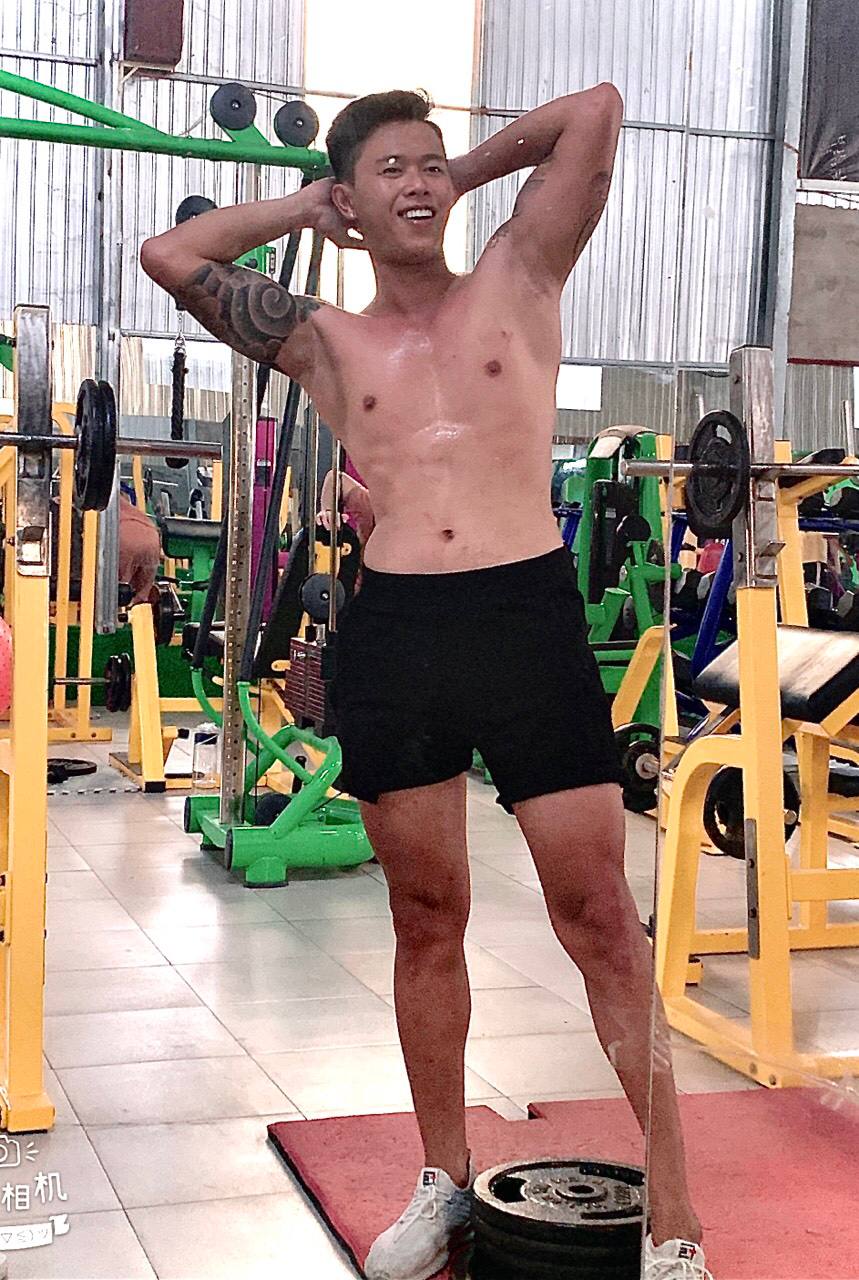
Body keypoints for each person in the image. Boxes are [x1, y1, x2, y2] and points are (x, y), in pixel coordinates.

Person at [141, 86, 710, 1280]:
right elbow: (171, 255)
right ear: (351, 196)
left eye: (430, 164)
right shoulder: (324, 340)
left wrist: (463, 172)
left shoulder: (519, 271)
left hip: (525, 619)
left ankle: (674, 1222)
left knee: (600, 920)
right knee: (425, 917)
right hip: (398, 630)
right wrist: (308, 204)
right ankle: (444, 1179)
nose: (420, 183)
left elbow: (597, 111)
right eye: (392, 168)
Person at [118, 492, 162, 604]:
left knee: (117, 592)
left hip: (125, 535)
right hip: (151, 534)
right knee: (141, 597)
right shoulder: (121, 498)